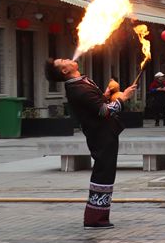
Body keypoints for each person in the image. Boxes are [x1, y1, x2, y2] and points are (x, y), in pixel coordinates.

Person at [44, 58, 136, 229]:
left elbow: (95, 105)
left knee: (105, 172)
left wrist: (106, 95)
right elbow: (104, 111)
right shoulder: (78, 88)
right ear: (64, 71)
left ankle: (98, 217)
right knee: (103, 172)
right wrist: (123, 98)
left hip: (104, 132)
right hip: (100, 134)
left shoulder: (80, 83)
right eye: (63, 61)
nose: (68, 59)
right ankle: (95, 219)